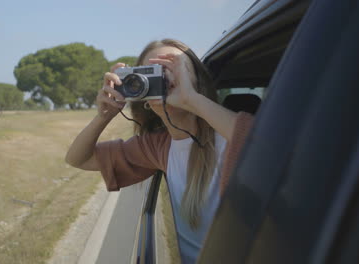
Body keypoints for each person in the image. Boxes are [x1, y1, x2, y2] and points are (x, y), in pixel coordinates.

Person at [65, 39, 253, 263]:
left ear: (198, 81)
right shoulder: (157, 147)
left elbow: (272, 146)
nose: (165, 79)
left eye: (173, 68)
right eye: (152, 73)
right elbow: (79, 158)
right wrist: (104, 115)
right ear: (142, 93)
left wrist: (192, 100)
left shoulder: (229, 136)